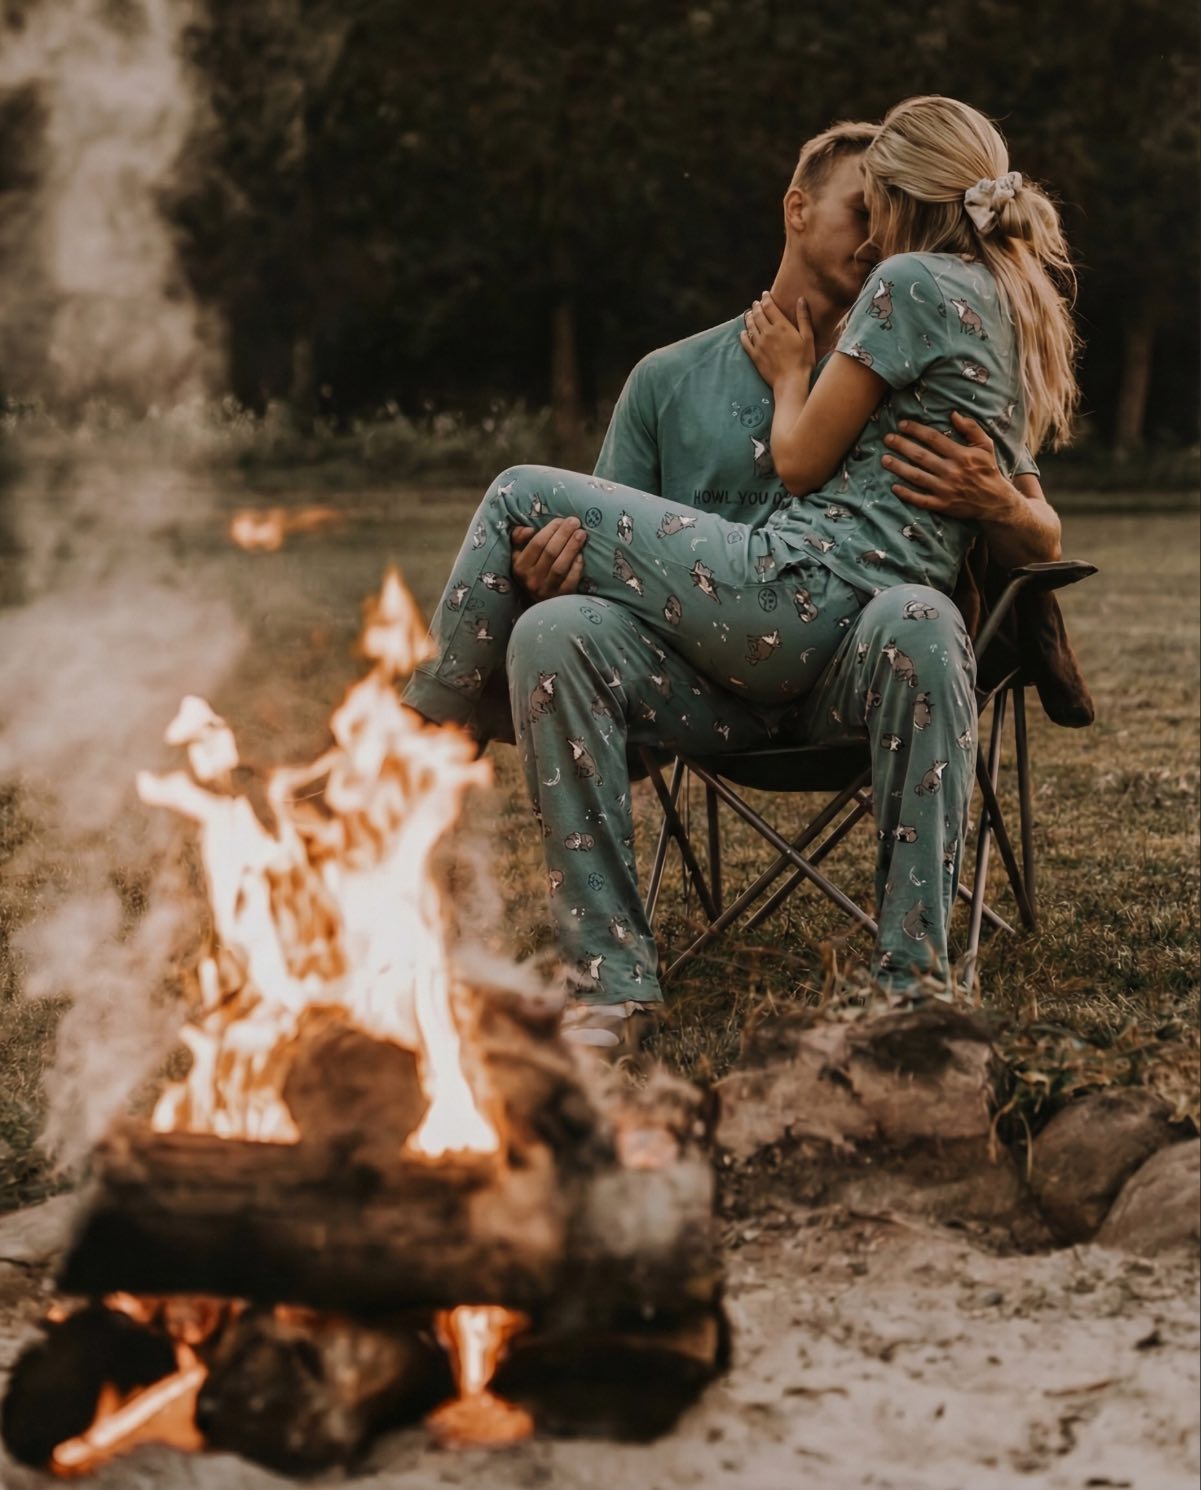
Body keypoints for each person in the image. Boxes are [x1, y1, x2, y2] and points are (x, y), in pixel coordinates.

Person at [404, 99, 1076, 1050]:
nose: (871, 238)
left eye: (880, 209)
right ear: (796, 210)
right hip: (702, 679)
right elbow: (606, 564)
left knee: (921, 613)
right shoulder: (674, 377)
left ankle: (420, 740)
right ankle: (609, 984)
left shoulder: (910, 308)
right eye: (855, 213)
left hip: (851, 664)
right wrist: (544, 569)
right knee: (552, 628)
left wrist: (998, 500)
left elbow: (1028, 529)